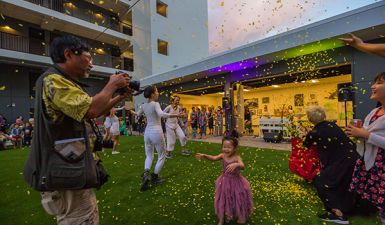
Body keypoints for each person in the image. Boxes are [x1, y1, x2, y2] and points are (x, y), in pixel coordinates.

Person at [23, 35, 132, 225]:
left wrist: (117, 98)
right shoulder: (53, 80)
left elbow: (90, 113)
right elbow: (91, 109)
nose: (91, 64)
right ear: (68, 54)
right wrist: (112, 84)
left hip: (68, 165)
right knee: (81, 219)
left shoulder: (61, 80)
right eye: (88, 58)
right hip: (65, 171)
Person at [303, 106, 358, 224]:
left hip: (341, 161)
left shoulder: (315, 132)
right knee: (343, 183)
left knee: (321, 181)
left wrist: (308, 133)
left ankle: (338, 214)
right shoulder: (333, 125)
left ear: (310, 119)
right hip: (352, 157)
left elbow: (306, 144)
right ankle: (347, 208)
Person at [346, 72, 385, 225]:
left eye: (379, 83)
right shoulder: (374, 112)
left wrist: (366, 134)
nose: (372, 86)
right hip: (373, 164)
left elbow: (370, 135)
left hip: (382, 167)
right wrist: (358, 133)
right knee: (380, 206)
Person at [195, 136, 253, 225]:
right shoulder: (223, 155)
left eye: (229, 147)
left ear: (235, 148)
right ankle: (222, 219)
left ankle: (240, 215)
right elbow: (214, 158)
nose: (226, 149)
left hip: (236, 182)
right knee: (223, 199)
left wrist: (237, 165)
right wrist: (205, 155)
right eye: (224, 147)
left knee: (238, 198)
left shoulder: (237, 157)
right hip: (224, 181)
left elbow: (243, 166)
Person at [134, 85, 181, 191]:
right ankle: (154, 177)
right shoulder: (155, 104)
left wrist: (130, 111)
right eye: (157, 91)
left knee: (149, 155)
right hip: (156, 132)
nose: (158, 93)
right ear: (152, 94)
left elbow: (137, 114)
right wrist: (177, 115)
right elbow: (162, 114)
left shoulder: (143, 105)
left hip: (147, 133)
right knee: (161, 155)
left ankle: (146, 173)